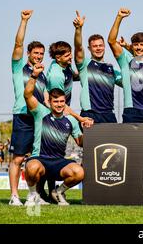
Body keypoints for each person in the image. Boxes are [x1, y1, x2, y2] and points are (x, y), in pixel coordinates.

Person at [23, 63, 92, 206]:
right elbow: (27, 94)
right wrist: (34, 75)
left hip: (58, 163)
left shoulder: (71, 120)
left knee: (79, 172)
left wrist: (88, 131)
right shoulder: (41, 112)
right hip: (40, 159)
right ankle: (33, 194)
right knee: (31, 167)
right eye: (56, 102)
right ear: (49, 102)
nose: (59, 104)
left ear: (65, 102)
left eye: (62, 101)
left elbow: (80, 142)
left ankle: (58, 192)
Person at [9, 10, 48, 206]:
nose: (39, 56)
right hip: (22, 116)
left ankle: (34, 196)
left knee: (35, 159)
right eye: (36, 53)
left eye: (41, 54)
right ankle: (14, 196)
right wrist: (24, 21)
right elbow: (18, 44)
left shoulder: (43, 75)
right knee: (17, 158)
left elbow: (47, 99)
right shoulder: (19, 69)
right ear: (28, 54)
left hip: (39, 120)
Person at [107, 8, 143, 123]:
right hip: (132, 112)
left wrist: (127, 46)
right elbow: (111, 41)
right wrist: (119, 17)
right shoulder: (126, 60)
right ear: (132, 46)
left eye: (142, 44)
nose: (139, 47)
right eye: (136, 45)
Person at [73, 11, 122, 123]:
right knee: (90, 142)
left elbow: (128, 83)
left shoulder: (111, 69)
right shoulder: (85, 65)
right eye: (94, 46)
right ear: (89, 48)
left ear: (104, 47)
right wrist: (78, 29)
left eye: (100, 45)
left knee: (112, 142)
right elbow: (78, 47)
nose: (98, 48)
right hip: (90, 114)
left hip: (109, 114)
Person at [46, 41, 77, 106]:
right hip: (59, 110)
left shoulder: (65, 63)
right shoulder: (56, 76)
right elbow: (58, 103)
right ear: (58, 58)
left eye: (70, 53)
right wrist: (77, 116)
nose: (71, 57)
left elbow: (72, 76)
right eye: (67, 56)